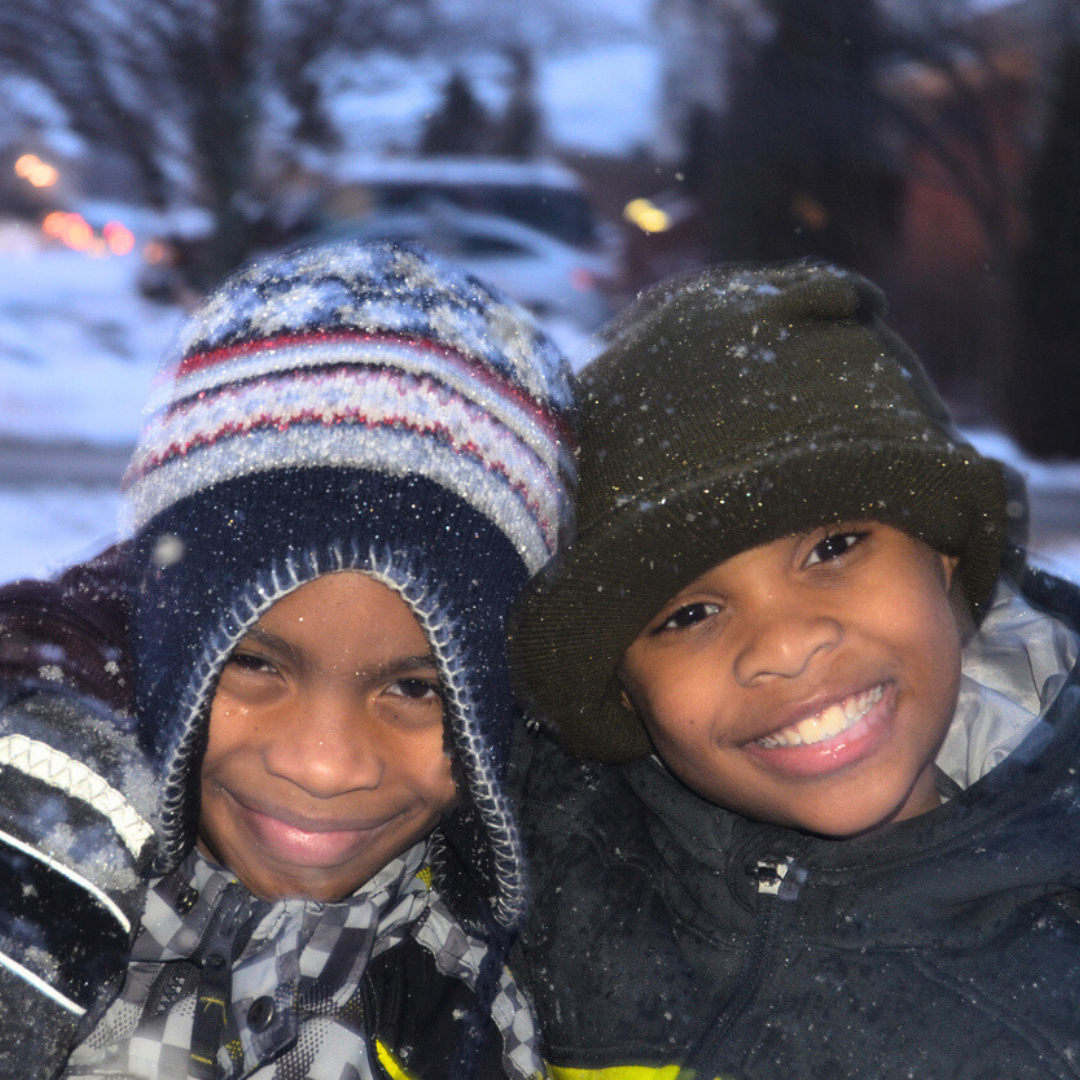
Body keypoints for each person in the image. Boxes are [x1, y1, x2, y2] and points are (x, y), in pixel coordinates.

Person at [0, 240, 575, 1079]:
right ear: (162, 636)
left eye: (417, 687)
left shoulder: (493, 983)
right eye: (257, 664)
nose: (322, 764)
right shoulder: (37, 839)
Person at [509, 259, 1080, 1080]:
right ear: (624, 695)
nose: (785, 645)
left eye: (834, 547)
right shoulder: (553, 876)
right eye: (688, 615)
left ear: (944, 556)